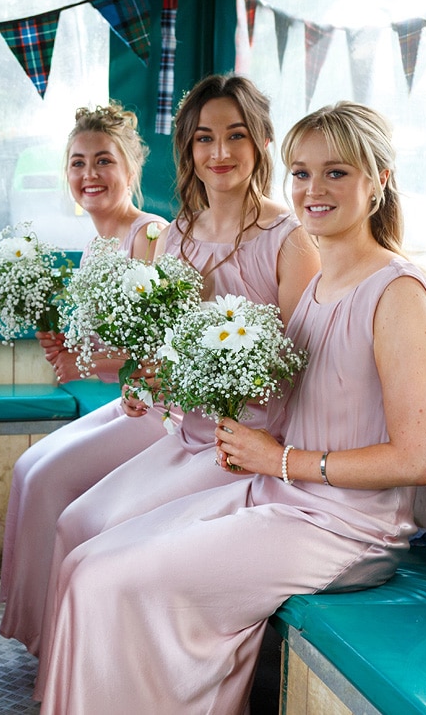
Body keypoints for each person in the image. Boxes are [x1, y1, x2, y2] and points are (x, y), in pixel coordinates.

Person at [38, 101, 426, 713]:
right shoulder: (323, 282)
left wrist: (279, 459)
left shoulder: (398, 291)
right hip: (277, 494)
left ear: (379, 181)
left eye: (337, 172)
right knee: (88, 555)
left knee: (104, 581)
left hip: (346, 527)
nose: (313, 189)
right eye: (301, 173)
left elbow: (413, 459)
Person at [33, 74, 320, 697]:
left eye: (236, 136)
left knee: (102, 556)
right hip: (180, 433)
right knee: (74, 525)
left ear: (263, 142)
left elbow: (303, 367)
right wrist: (144, 377)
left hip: (244, 448)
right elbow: (160, 341)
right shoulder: (181, 234)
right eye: (205, 138)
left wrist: (229, 383)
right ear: (188, 149)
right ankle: (73, 690)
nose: (220, 153)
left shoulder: (290, 239)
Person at [0, 103, 173, 656]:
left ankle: (60, 645)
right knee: (28, 467)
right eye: (78, 163)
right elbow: (104, 348)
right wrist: (66, 348)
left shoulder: (152, 237)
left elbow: (164, 351)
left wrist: (90, 365)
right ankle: (32, 628)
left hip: (163, 415)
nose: (89, 174)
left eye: (104, 161)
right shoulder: (97, 244)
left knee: (50, 482)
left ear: (131, 170)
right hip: (130, 403)